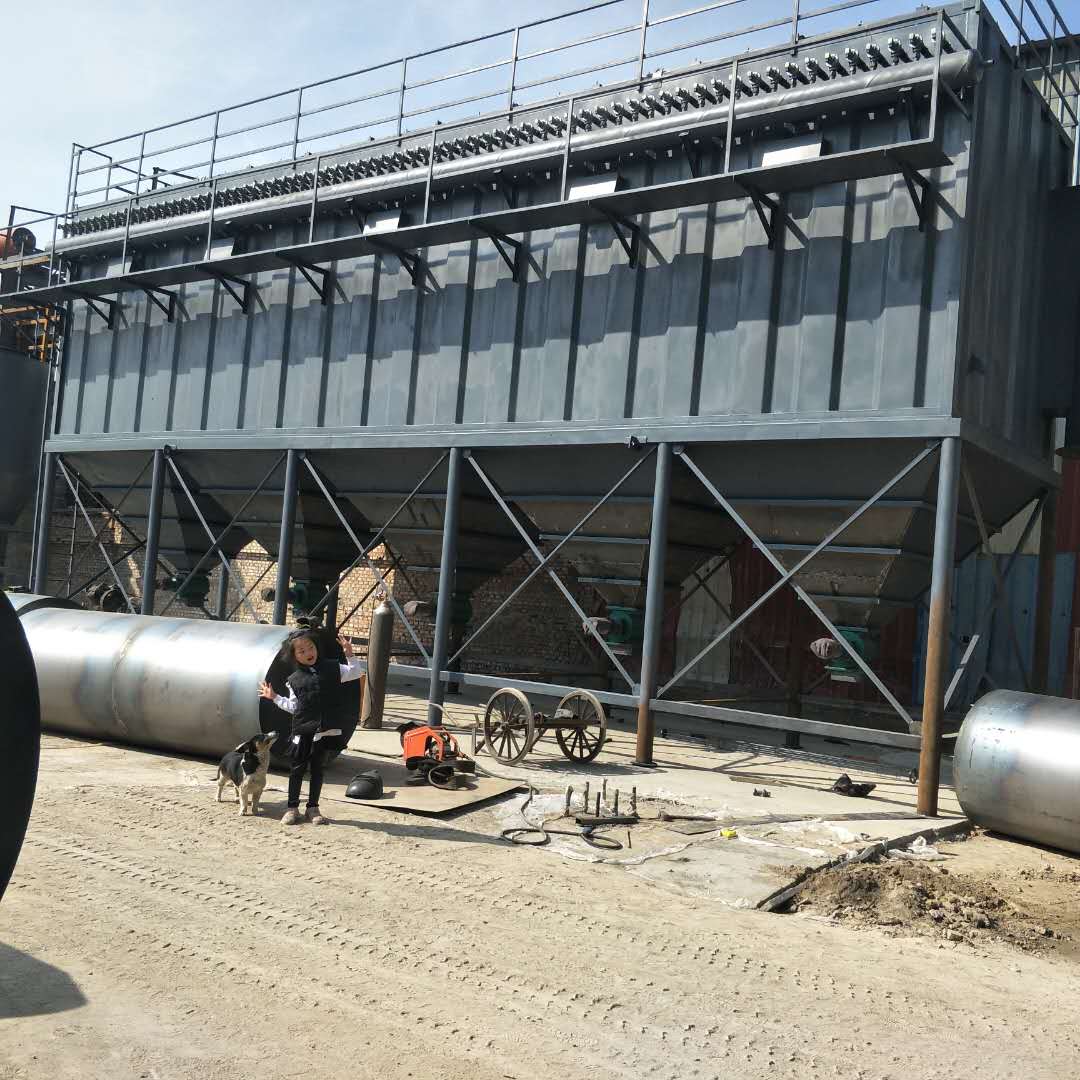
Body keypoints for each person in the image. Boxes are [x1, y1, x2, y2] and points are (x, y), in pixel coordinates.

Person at [258, 629, 363, 826]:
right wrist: (275, 697)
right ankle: (292, 808)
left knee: (318, 770)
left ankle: (313, 809)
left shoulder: (333, 668)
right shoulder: (294, 680)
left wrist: (349, 654)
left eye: (310, 647)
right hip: (304, 731)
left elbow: (355, 673)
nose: (308, 653)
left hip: (324, 730)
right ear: (295, 656)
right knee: (297, 770)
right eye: (302, 651)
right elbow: (294, 707)